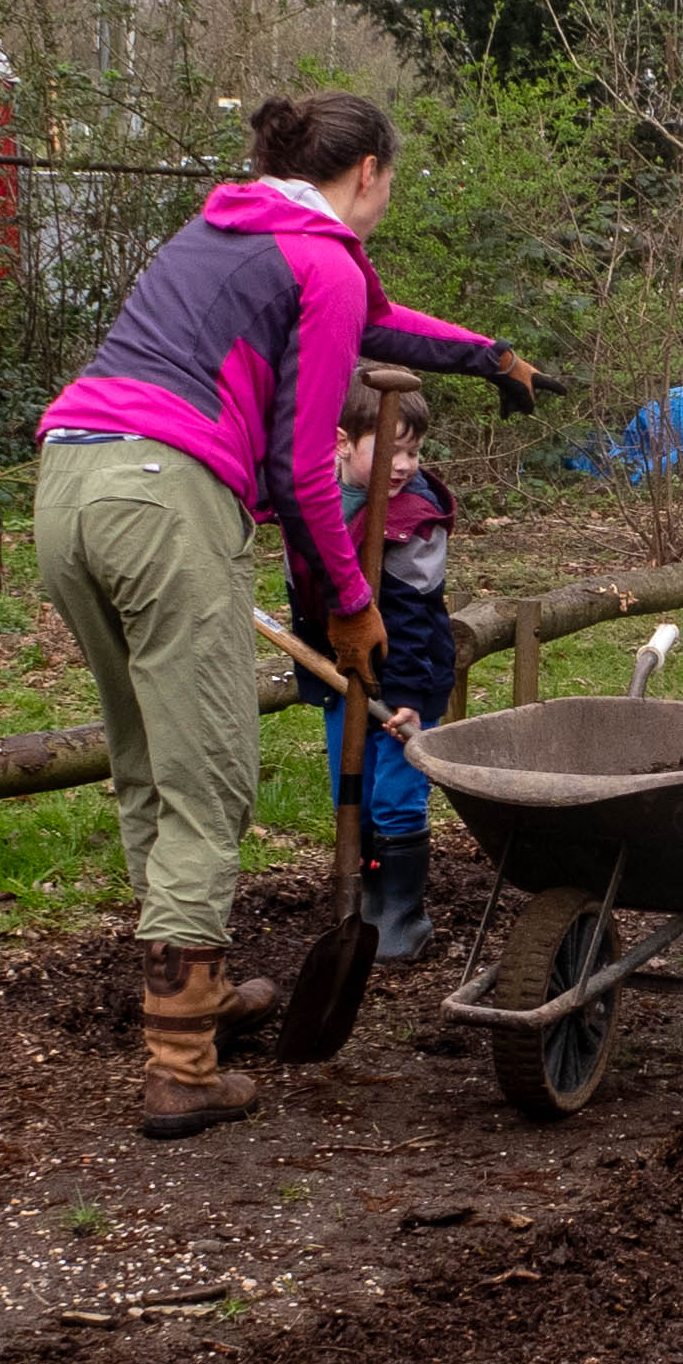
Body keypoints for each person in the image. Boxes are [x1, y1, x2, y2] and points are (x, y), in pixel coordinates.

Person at [37, 92, 535, 1135]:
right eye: (391, 183)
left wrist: (487, 354)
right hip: (164, 498)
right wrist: (352, 606)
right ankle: (180, 1061)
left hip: (68, 483)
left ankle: (191, 985)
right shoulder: (322, 258)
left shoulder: (229, 226)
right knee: (212, 773)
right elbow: (301, 468)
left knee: (147, 756)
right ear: (366, 175)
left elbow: (378, 328)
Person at [289, 398, 457, 964]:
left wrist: (407, 696)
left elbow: (412, 615)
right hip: (342, 676)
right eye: (391, 449)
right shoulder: (314, 500)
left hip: (405, 680)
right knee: (350, 792)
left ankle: (403, 916)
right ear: (341, 443)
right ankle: (362, 903)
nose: (405, 463)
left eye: (413, 450)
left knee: (396, 796)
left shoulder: (415, 515)